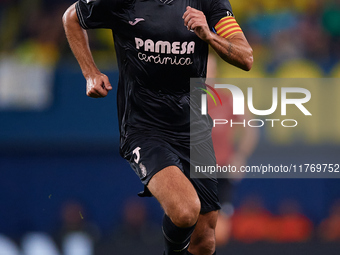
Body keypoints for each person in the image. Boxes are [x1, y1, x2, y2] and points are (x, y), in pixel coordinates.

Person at [62, 1, 253, 254]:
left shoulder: (209, 3)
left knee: (205, 240)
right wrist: (90, 73)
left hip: (194, 128)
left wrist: (209, 36)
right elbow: (71, 17)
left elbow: (246, 56)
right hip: (144, 127)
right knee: (185, 210)